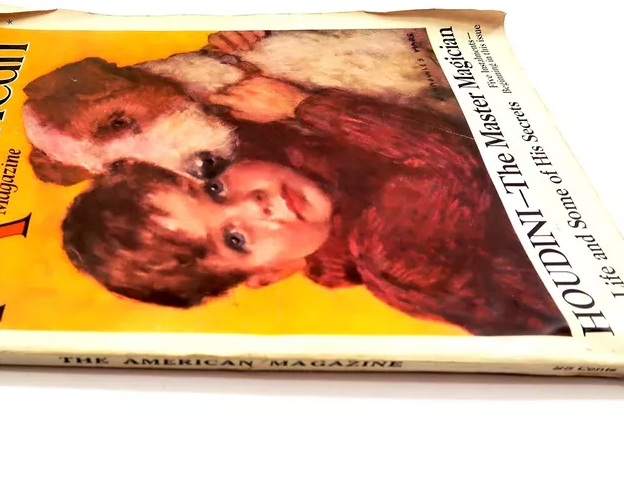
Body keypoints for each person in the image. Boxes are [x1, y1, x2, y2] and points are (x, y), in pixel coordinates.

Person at [61, 84, 568, 337]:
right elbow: (454, 161)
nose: (253, 204)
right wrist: (305, 105)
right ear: (272, 273)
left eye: (213, 189)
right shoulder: (391, 255)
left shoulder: (297, 173)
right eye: (235, 239)